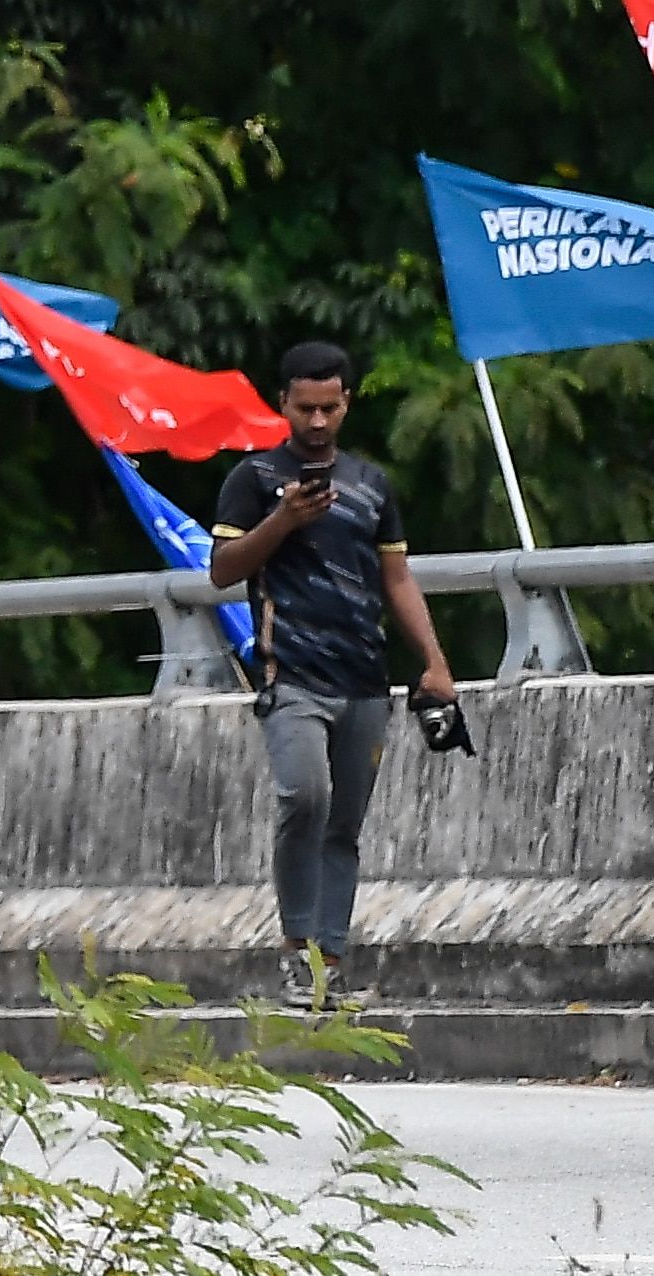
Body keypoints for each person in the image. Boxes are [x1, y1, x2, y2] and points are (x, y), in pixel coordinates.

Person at [206, 339, 457, 1009]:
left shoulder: (371, 485)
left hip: (364, 679)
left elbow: (396, 577)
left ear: (347, 404)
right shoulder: (255, 479)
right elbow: (223, 570)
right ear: (283, 404)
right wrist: (282, 521)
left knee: (344, 825)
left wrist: (434, 660)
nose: (317, 422)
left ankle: (329, 965)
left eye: (331, 407)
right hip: (291, 676)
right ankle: (294, 950)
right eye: (305, 407)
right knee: (303, 798)